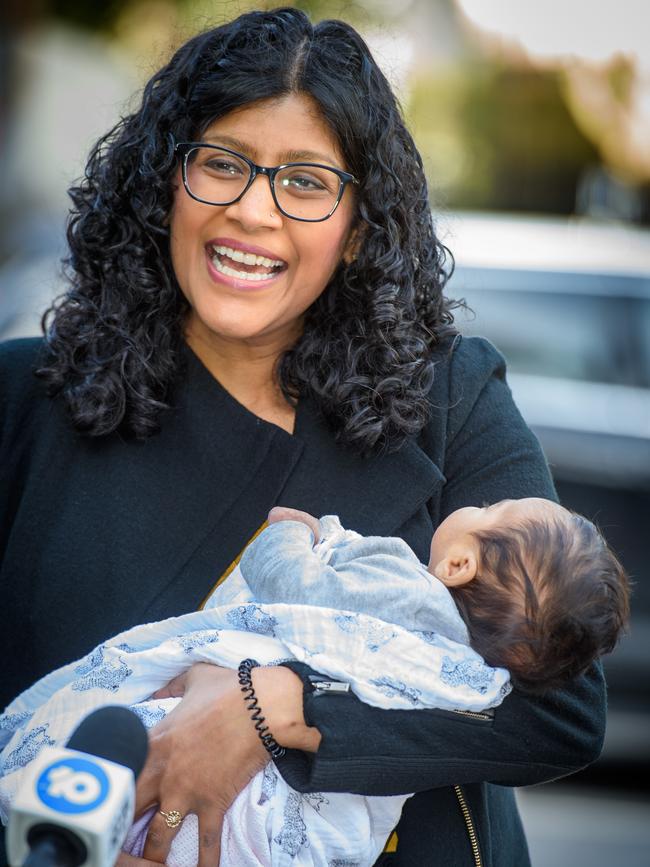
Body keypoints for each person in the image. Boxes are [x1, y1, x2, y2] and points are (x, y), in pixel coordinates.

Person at [0, 7, 609, 866]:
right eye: (221, 164)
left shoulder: (448, 395)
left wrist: (276, 713)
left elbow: (561, 711)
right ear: (163, 183)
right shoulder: (26, 400)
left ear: (358, 227)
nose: (253, 210)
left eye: (307, 182)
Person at [0, 501, 628, 866]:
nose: (478, 503)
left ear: (458, 564)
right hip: (302, 838)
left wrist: (291, 533)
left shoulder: (399, 580)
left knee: (103, 741)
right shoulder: (480, 683)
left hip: (202, 764)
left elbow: (296, 588)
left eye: (490, 510)